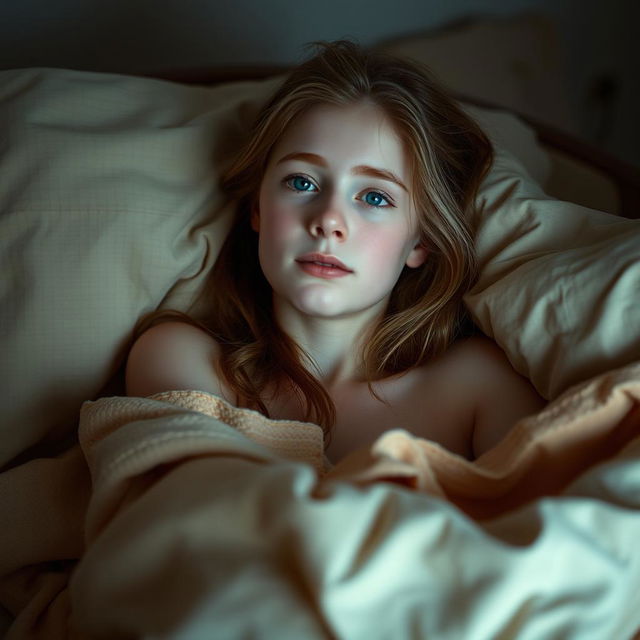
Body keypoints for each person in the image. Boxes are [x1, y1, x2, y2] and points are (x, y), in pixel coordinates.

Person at [125, 40, 544, 463]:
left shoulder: (477, 387)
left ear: (421, 242)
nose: (328, 220)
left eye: (375, 197)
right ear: (258, 208)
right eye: (302, 182)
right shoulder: (183, 359)